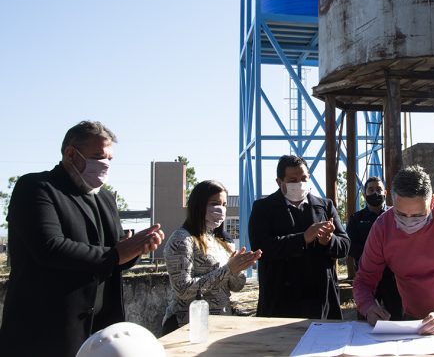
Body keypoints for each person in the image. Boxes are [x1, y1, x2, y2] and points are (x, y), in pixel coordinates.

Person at [0, 121, 165, 357]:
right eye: (98, 156)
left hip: (100, 332)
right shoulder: (37, 187)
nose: (105, 164)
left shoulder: (105, 198)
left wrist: (137, 249)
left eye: (110, 158)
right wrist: (117, 253)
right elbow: (50, 248)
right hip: (45, 334)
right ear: (70, 153)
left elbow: (113, 260)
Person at [353, 165, 434, 335]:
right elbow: (364, 279)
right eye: (401, 214)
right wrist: (368, 306)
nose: (409, 222)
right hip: (415, 317)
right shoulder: (382, 227)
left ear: (431, 201)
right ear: (393, 203)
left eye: (418, 215)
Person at [248, 155, 350, 319]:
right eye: (293, 179)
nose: (299, 184)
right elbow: (261, 247)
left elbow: (344, 245)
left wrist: (329, 241)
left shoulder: (325, 206)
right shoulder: (263, 208)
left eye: (304, 178)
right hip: (281, 297)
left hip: (320, 297)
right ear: (279, 181)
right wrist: (302, 238)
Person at [162, 180, 262, 334]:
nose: (221, 209)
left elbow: (235, 287)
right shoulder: (182, 239)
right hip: (188, 326)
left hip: (219, 324)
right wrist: (228, 269)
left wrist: (238, 269)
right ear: (199, 205)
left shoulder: (221, 241)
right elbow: (183, 290)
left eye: (224, 204)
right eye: (215, 203)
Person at [346, 176, 402, 320]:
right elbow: (350, 246)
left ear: (386, 192)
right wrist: (373, 257)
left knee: (396, 317)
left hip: (393, 278)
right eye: (371, 190)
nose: (375, 193)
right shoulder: (356, 219)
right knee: (366, 319)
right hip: (367, 277)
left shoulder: (397, 216)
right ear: (364, 194)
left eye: (378, 189)